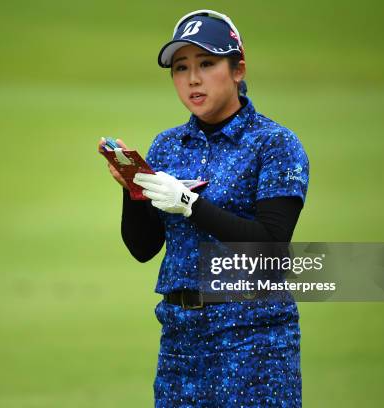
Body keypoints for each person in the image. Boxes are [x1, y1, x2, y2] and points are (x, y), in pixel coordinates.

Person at [98, 9, 308, 407]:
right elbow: (143, 248)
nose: (192, 79)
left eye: (207, 64)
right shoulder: (168, 145)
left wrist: (190, 204)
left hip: (254, 342)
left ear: (238, 69)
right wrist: (132, 189)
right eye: (181, 68)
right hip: (181, 341)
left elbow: (271, 247)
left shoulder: (274, 145)